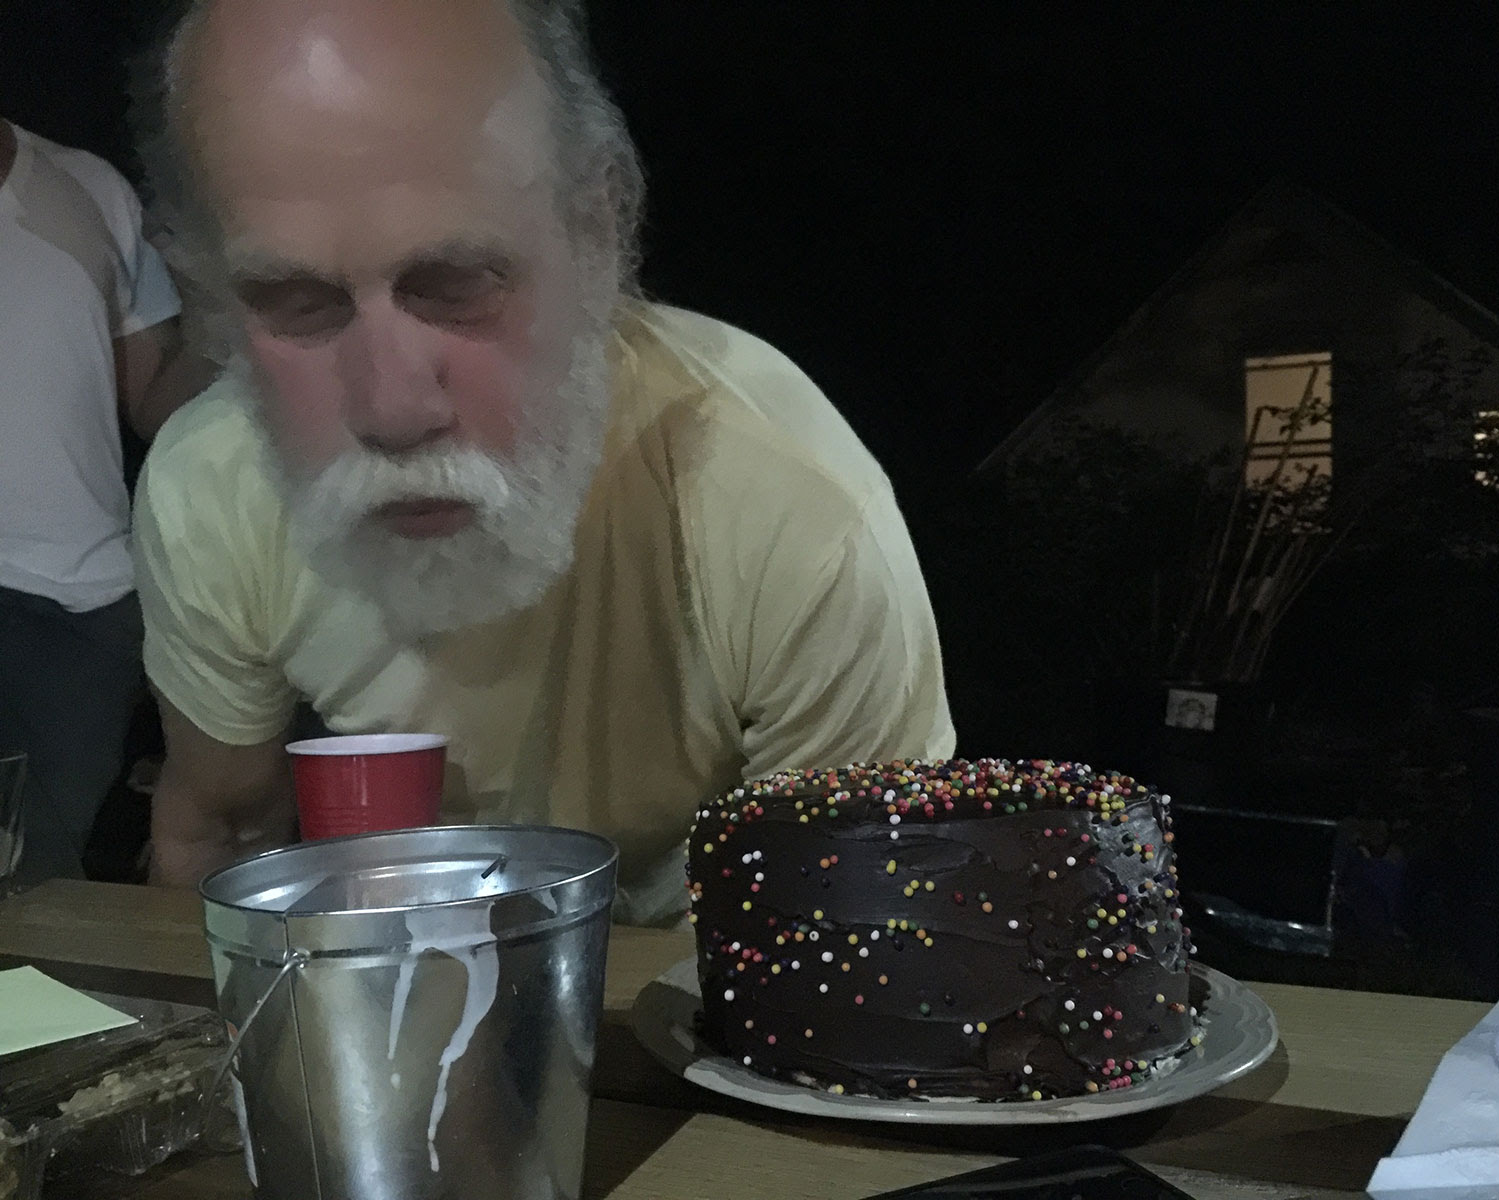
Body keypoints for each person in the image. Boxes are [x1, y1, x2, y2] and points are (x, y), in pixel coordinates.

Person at [132, 0, 955, 923]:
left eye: (457, 285)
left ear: (596, 228)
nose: (393, 410)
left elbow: (850, 932)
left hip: (716, 977)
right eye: (297, 303)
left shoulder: (791, 511)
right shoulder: (213, 488)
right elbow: (223, 829)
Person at [0, 117, 204, 884]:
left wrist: (229, 306)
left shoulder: (89, 185)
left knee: (40, 901)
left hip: (81, 623)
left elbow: (152, 400)